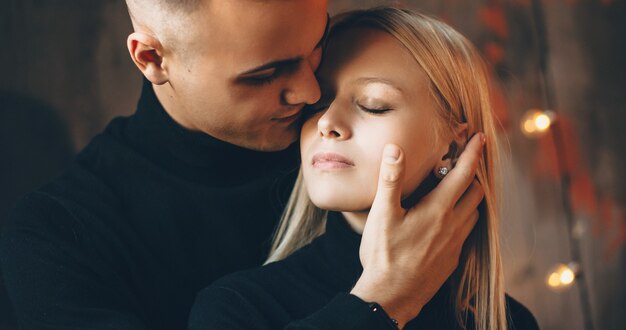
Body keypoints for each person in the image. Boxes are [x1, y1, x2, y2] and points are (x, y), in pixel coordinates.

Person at [1, 1, 485, 329]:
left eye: (315, 50)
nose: (310, 95)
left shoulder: (345, 161)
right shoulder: (55, 238)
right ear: (151, 58)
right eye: (266, 74)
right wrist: (382, 304)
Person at [188, 7, 540, 330]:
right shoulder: (237, 308)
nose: (327, 122)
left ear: (451, 147)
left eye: (374, 105)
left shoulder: (508, 322)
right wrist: (381, 302)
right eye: (319, 103)